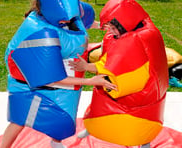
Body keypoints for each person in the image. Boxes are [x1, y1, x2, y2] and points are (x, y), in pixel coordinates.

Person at [0, 0, 116, 148]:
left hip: (61, 74)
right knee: (20, 118)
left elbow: (83, 20)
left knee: (63, 119)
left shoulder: (71, 11)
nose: (68, 20)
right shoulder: (39, 33)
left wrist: (102, 26)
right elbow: (51, 79)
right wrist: (92, 81)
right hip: (28, 82)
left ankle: (56, 142)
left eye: (71, 18)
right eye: (64, 19)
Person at [69, 0, 169, 147]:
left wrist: (90, 69)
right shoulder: (127, 34)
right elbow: (109, 62)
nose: (110, 32)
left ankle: (144, 140)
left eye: (113, 27)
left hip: (143, 93)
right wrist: (89, 66)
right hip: (138, 89)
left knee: (135, 115)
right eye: (109, 27)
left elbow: (120, 70)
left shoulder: (136, 40)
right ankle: (92, 129)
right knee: (101, 98)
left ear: (126, 23)